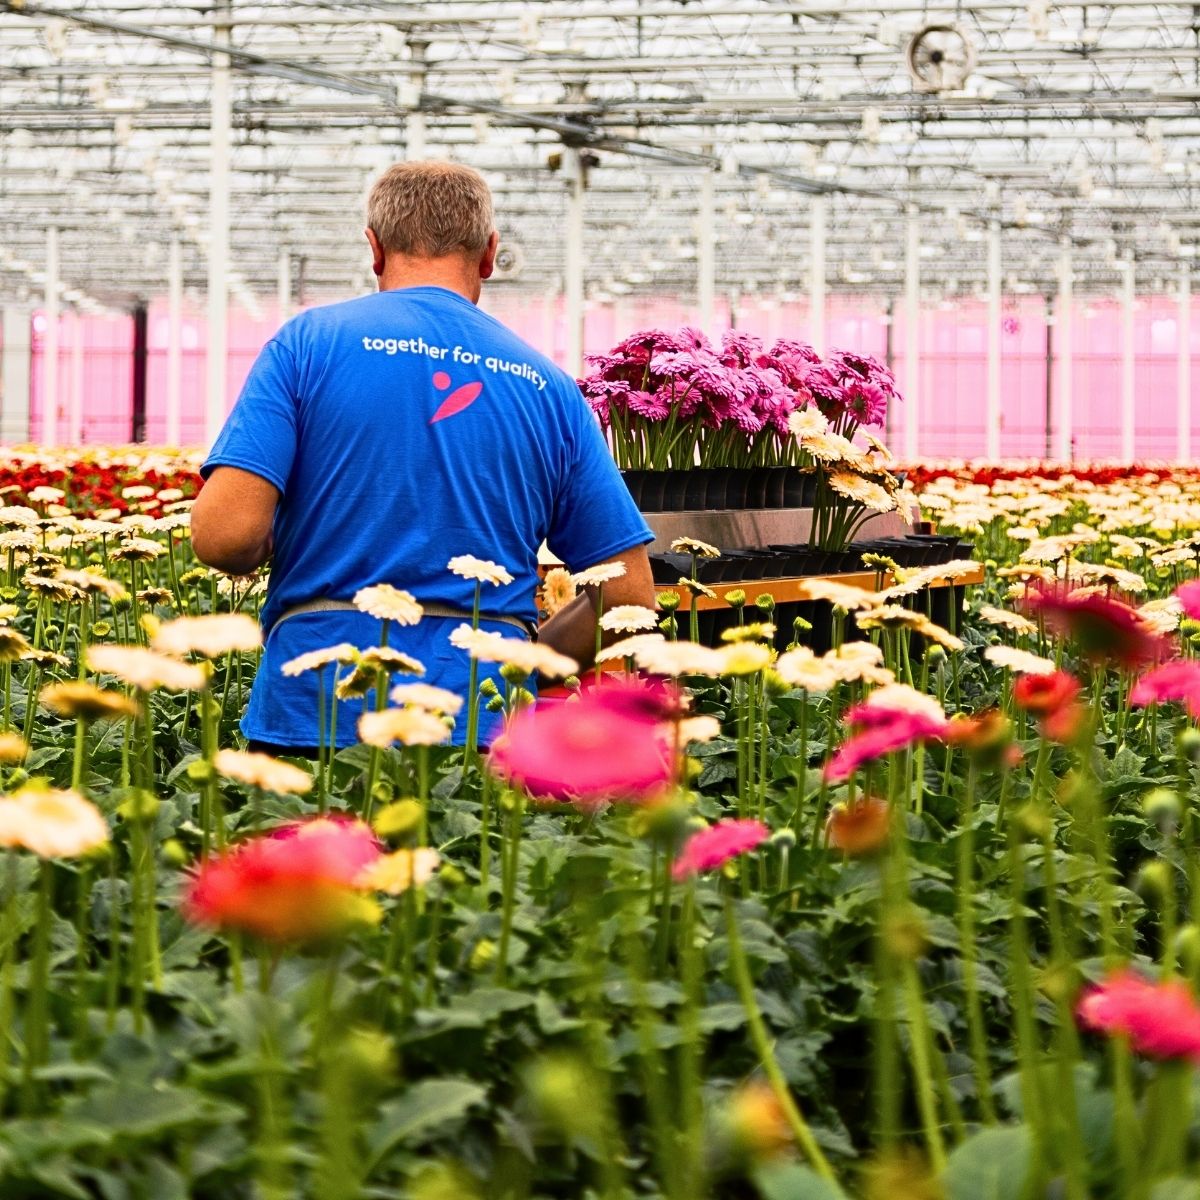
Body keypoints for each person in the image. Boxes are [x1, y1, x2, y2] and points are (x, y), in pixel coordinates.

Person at [191, 160, 655, 751]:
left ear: (375, 249)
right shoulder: (548, 386)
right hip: (482, 724)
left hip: (318, 713)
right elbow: (630, 597)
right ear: (489, 254)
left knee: (311, 847)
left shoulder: (306, 345)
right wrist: (526, 663)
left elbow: (224, 537)